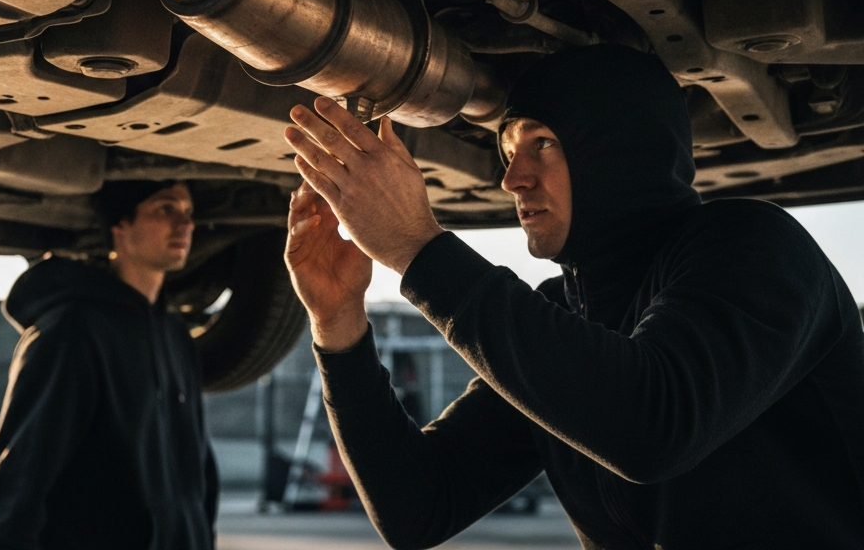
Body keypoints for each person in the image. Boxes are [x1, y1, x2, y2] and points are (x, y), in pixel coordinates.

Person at [283, 44, 864, 550]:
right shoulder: (563, 314)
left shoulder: (755, 247)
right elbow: (419, 507)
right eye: (510, 154)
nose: (513, 180)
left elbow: (652, 428)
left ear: (618, 150)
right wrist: (338, 322)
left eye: (542, 144)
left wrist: (419, 249)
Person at [0, 181, 217, 550]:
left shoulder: (176, 336)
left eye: (188, 213)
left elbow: (199, 475)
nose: (185, 224)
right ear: (120, 226)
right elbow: (20, 482)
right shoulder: (72, 332)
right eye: (165, 209)